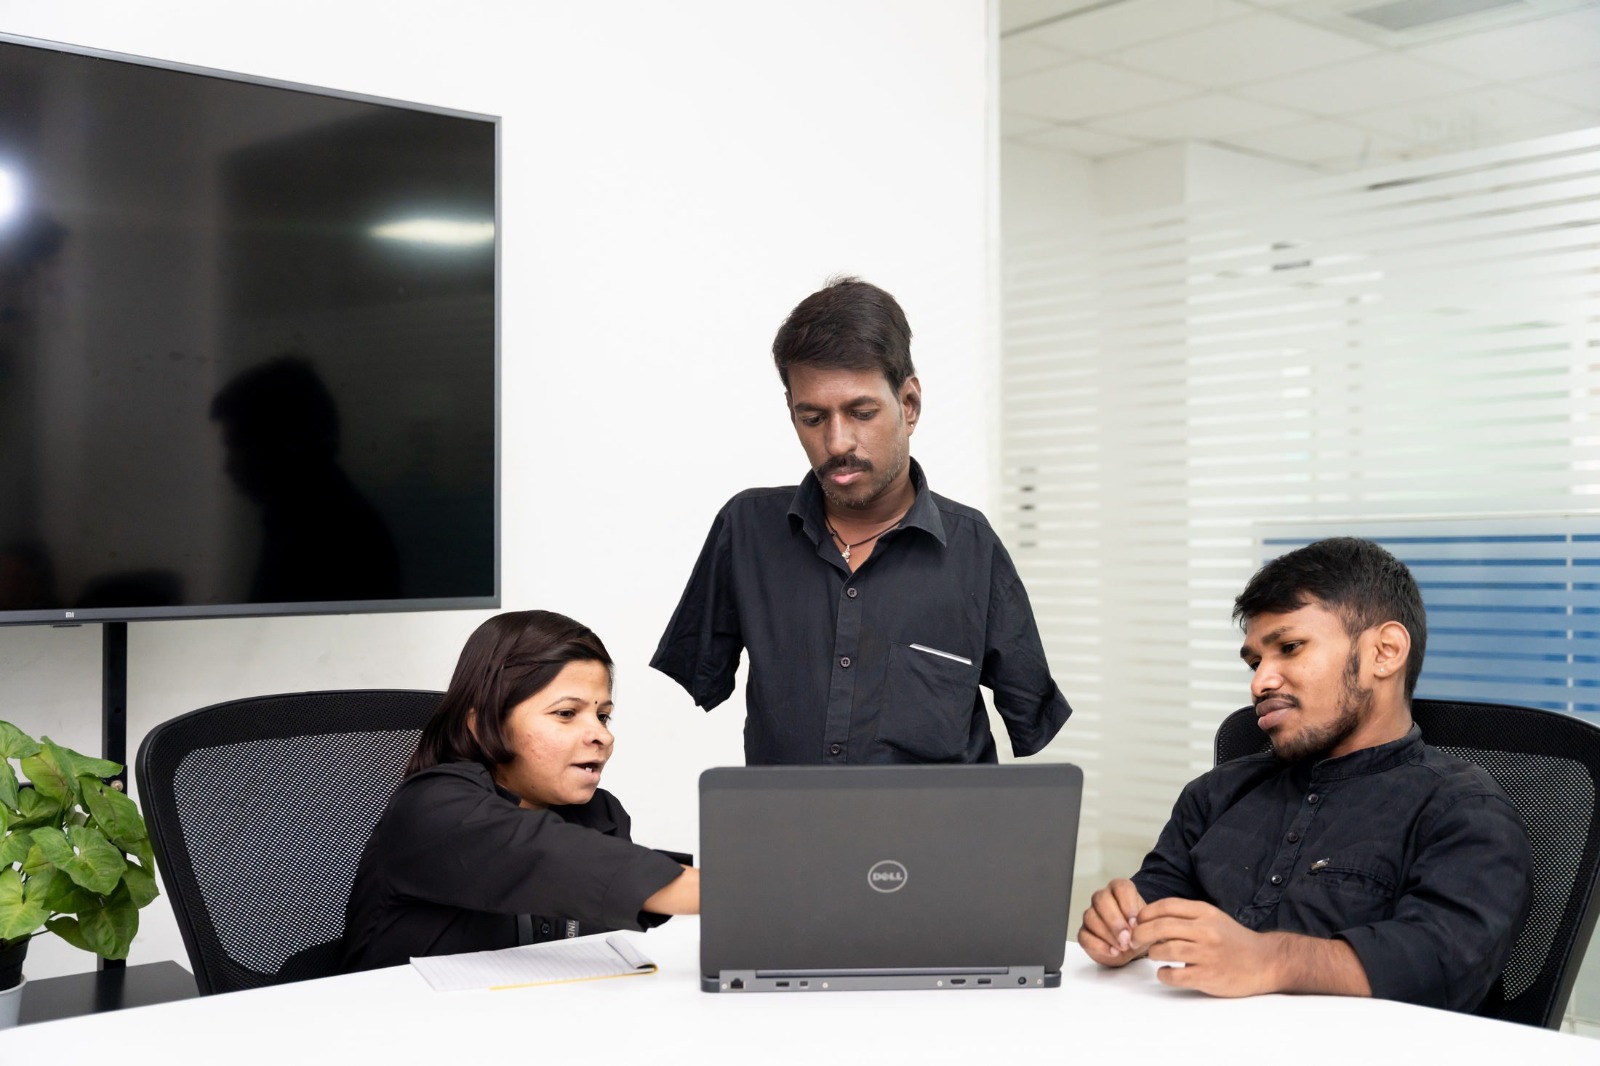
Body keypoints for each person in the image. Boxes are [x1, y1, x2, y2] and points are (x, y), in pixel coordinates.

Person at [1078, 538, 1533, 1012]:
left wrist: (1270, 959)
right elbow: (1150, 903)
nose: (1259, 683)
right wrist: (1120, 928)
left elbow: (1442, 963)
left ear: (1385, 651)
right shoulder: (1213, 795)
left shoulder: (1465, 812)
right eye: (1255, 662)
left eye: (1289, 648)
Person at [651, 277, 1070, 765]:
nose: (837, 443)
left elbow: (1029, 710)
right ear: (791, 413)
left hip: (935, 837)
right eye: (812, 418)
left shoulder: (971, 548)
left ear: (908, 405)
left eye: (862, 412)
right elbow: (700, 671)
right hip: (790, 835)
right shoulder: (746, 532)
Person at [342, 611, 698, 972]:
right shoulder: (432, 808)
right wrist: (729, 889)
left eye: (602, 716)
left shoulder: (600, 814)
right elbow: (548, 856)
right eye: (565, 713)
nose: (602, 736)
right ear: (483, 725)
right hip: (402, 1022)